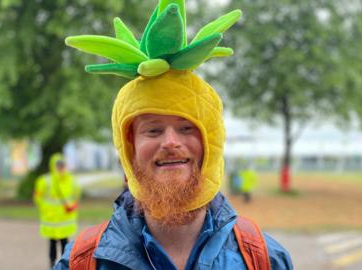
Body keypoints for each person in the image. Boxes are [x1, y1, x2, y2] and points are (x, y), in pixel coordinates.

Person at [56, 0, 293, 269]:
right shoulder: (82, 261)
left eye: (186, 127)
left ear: (211, 140)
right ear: (129, 146)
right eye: (153, 130)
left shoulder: (263, 259)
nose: (170, 142)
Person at [33, 153, 81, 267]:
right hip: (52, 220)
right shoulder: (45, 180)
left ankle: (65, 265)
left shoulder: (70, 180)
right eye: (58, 165)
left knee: (65, 244)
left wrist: (73, 206)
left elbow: (76, 195)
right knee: (52, 244)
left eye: (62, 165)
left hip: (65, 220)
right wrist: (45, 209)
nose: (60, 167)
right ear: (53, 166)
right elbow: (37, 196)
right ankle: (52, 264)